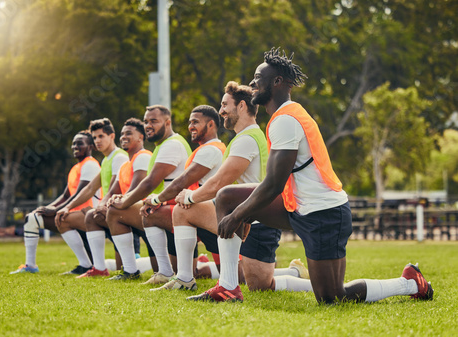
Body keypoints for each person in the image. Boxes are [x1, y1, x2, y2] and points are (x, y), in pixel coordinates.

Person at [198, 47, 433, 303]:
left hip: (323, 213)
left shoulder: (286, 120)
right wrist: (239, 211)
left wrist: (239, 216)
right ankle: (229, 287)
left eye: (258, 77)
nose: (252, 83)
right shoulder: (282, 116)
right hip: (297, 206)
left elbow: (274, 184)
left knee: (332, 297)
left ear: (277, 82)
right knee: (226, 197)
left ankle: (409, 282)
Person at [173, 81, 311, 296]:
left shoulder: (247, 140)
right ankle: (184, 278)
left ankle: (304, 279)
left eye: (225, 105)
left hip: (256, 221)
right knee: (181, 211)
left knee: (259, 284)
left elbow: (219, 183)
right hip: (239, 216)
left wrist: (190, 196)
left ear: (242, 107)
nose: (221, 111)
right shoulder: (244, 138)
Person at [140, 105, 226, 289]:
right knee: (162, 212)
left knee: (248, 277)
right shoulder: (205, 149)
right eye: (189, 122)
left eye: (195, 122)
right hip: (205, 214)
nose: (190, 126)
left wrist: (156, 199)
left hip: (214, 217)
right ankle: (182, 276)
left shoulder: (211, 150)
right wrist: (160, 201)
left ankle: (291, 273)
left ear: (211, 124)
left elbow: (182, 182)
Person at [105, 105, 192, 280]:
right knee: (130, 209)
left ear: (167, 123)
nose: (148, 125)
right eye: (146, 121)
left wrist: (125, 202)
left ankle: (134, 271)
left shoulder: (172, 145)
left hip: (177, 210)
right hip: (167, 207)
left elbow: (150, 183)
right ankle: (151, 270)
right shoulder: (164, 145)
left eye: (154, 121)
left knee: (117, 211)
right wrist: (124, 197)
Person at [10, 131, 100, 274]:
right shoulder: (76, 167)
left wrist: (57, 210)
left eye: (79, 143)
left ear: (90, 146)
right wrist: (49, 207)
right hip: (73, 214)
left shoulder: (90, 165)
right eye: (73, 143)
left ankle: (86, 265)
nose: (75, 146)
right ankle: (30, 266)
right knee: (32, 218)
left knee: (56, 219)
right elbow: (65, 195)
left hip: (87, 216)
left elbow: (79, 194)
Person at [81, 118, 155, 280]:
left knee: (169, 269)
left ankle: (131, 270)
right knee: (92, 215)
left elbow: (137, 190)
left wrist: (115, 203)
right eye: (122, 134)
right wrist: (101, 205)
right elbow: (113, 190)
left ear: (141, 137)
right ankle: (101, 268)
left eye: (129, 133)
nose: (123, 137)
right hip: (131, 211)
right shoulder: (125, 164)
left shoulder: (142, 156)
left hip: (149, 211)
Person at [56, 118, 128, 276]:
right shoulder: (105, 161)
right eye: (94, 137)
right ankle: (92, 266)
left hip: (121, 214)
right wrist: (66, 207)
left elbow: (116, 188)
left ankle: (99, 267)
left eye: (101, 136)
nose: (97, 141)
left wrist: (100, 205)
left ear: (112, 136)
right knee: (64, 218)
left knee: (126, 267)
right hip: (107, 212)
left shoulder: (119, 157)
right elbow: (89, 189)